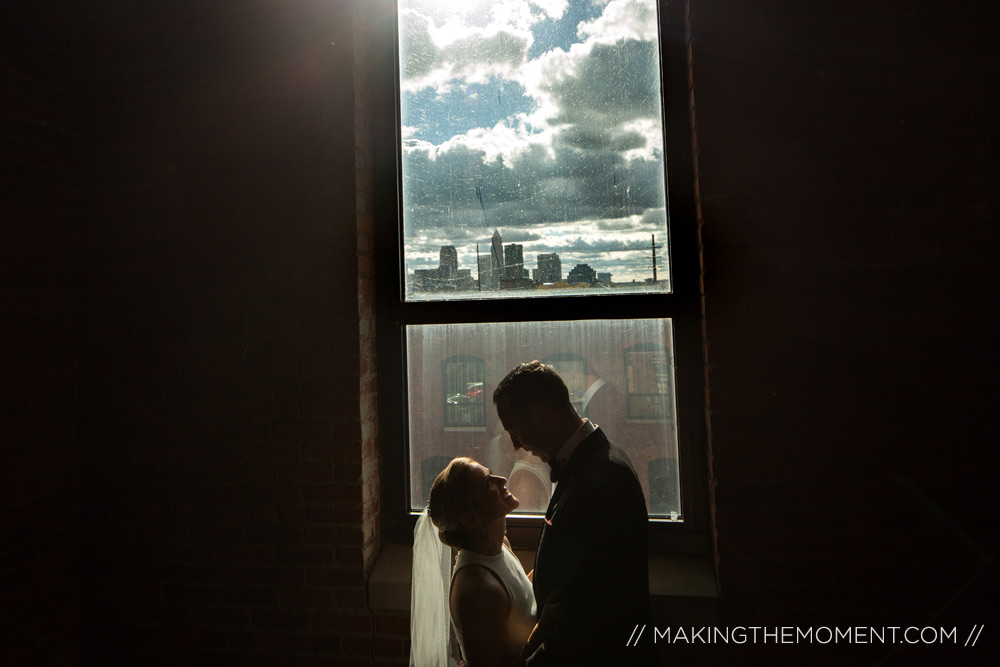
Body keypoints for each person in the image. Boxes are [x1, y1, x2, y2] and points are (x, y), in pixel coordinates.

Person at [493, 361, 657, 666]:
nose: (516, 446)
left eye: (516, 432)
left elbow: (587, 618)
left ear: (542, 416)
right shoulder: (596, 460)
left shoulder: (598, 485)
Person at [412, 457, 546, 667]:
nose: (501, 479)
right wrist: (543, 629)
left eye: (491, 473)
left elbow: (518, 600)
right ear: (470, 518)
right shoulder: (477, 589)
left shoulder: (502, 545)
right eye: (487, 483)